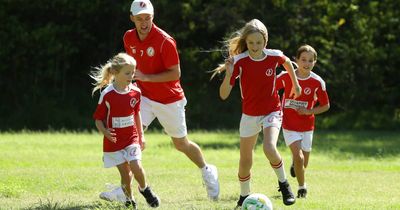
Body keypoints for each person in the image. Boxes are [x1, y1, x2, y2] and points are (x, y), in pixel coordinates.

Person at [100, 0, 220, 202]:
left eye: (147, 18)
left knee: (181, 144)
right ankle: (125, 189)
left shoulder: (165, 41)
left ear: (152, 17)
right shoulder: (128, 37)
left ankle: (207, 170)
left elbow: (176, 73)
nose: (144, 22)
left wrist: (146, 77)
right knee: (131, 138)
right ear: (132, 19)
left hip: (169, 99)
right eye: (139, 19)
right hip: (143, 97)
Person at [212, 19, 301, 208]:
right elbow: (223, 95)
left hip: (272, 110)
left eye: (258, 42)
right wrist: (228, 74)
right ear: (246, 42)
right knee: (245, 159)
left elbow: (287, 64)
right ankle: (244, 196)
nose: (254, 46)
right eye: (251, 42)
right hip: (250, 114)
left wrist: (296, 84)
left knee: (269, 147)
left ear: (265, 42)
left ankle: (284, 185)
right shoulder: (239, 61)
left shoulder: (274, 56)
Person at [91, 52, 160, 209]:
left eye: (133, 72)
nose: (131, 76)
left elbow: (137, 114)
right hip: (114, 142)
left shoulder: (136, 92)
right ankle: (129, 200)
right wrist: (105, 132)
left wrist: (141, 136)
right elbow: (98, 120)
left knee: (136, 166)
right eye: (127, 73)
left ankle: (144, 189)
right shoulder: (107, 94)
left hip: (131, 138)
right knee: (126, 175)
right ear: (115, 73)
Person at [276, 44, 330, 198]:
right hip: (289, 125)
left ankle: (296, 166)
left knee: (303, 163)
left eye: (310, 60)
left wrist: (309, 111)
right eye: (303, 60)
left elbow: (326, 105)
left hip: (307, 127)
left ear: (315, 62)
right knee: (299, 157)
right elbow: (270, 88)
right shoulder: (286, 76)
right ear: (296, 60)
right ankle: (302, 188)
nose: (307, 63)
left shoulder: (317, 82)